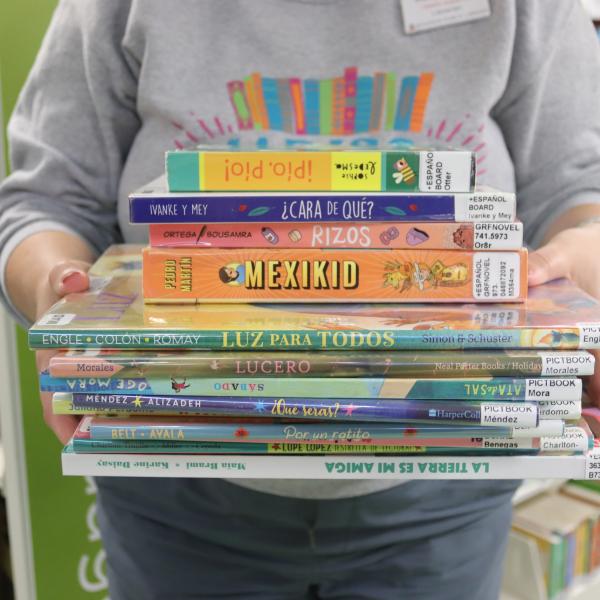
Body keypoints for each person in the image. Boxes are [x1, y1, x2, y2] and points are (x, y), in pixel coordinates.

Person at [2, 1, 600, 598]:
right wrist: (57, 294)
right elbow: (48, 200)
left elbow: (579, 186)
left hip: (447, 482)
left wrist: (581, 267)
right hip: (175, 482)